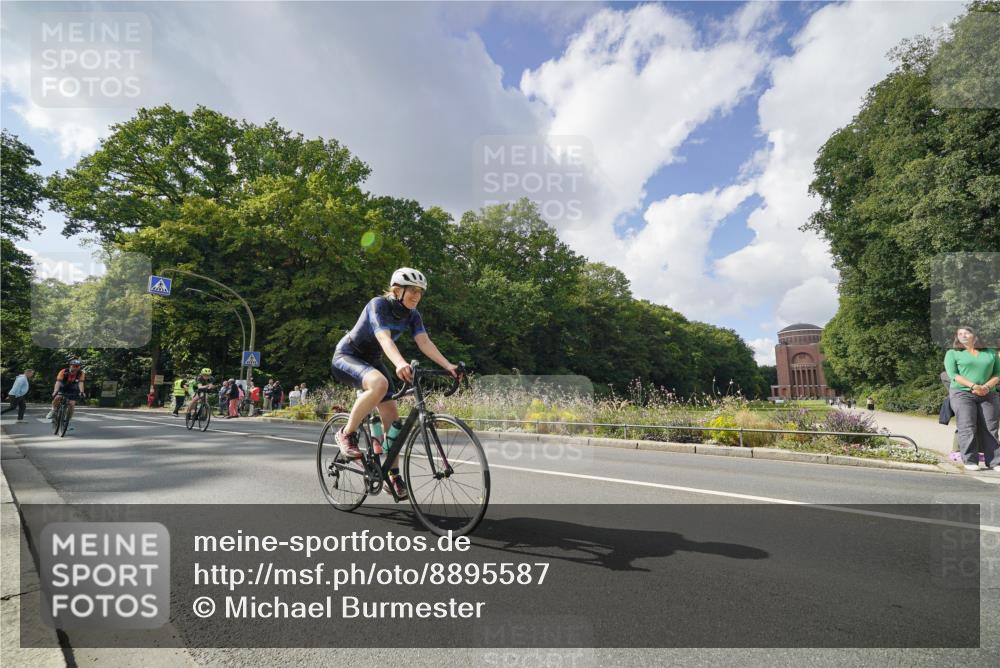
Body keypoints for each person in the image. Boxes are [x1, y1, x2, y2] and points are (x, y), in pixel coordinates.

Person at [329, 267, 460, 500]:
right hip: (348, 357)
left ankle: (393, 475)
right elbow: (383, 337)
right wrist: (400, 363)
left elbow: (424, 341)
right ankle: (346, 433)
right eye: (412, 291)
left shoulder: (413, 314)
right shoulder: (378, 305)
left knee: (393, 417)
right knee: (379, 383)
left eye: (420, 292)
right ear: (397, 290)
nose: (417, 296)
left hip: (373, 361)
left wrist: (448, 366)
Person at [944, 326, 1000, 471]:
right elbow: (953, 375)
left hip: (988, 393)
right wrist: (974, 386)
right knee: (967, 426)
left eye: (966, 333)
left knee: (991, 427)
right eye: (960, 334)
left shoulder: (990, 353)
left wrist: (986, 387)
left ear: (975, 335)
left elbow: (998, 373)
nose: (963, 335)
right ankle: (970, 460)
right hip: (962, 393)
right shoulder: (953, 353)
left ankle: (995, 462)